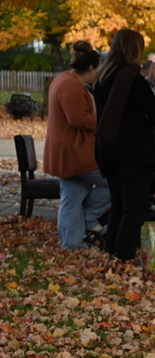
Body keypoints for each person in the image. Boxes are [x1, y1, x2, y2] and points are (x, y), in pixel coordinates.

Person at [92, 28, 155, 261]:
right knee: (133, 208)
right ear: (136, 49)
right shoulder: (131, 78)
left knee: (118, 205)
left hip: (108, 149)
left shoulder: (103, 76)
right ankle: (122, 256)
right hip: (133, 152)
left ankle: (112, 253)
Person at [42, 40, 110, 250]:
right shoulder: (71, 85)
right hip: (75, 153)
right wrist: (107, 124)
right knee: (113, 180)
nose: (98, 74)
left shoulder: (63, 80)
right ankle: (89, 218)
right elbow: (78, 119)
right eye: (97, 69)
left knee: (71, 197)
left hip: (65, 151)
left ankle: (71, 244)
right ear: (90, 67)